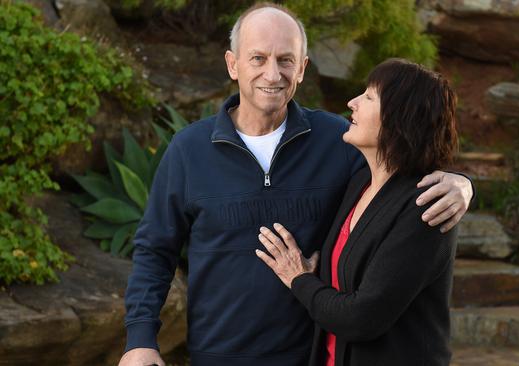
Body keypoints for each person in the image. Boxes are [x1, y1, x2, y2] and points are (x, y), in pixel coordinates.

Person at [119, 4, 473, 366]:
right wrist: (140, 340)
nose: (272, 74)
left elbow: (402, 164)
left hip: (310, 355)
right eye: (258, 58)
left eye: (286, 60)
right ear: (232, 64)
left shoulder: (339, 140)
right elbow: (155, 249)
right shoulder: (188, 149)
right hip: (217, 355)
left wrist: (461, 183)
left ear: (302, 68)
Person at [256, 58, 458, 366]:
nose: (352, 102)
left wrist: (299, 278)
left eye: (368, 97)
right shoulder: (360, 182)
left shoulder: (425, 207)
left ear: (398, 117)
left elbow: (362, 318)